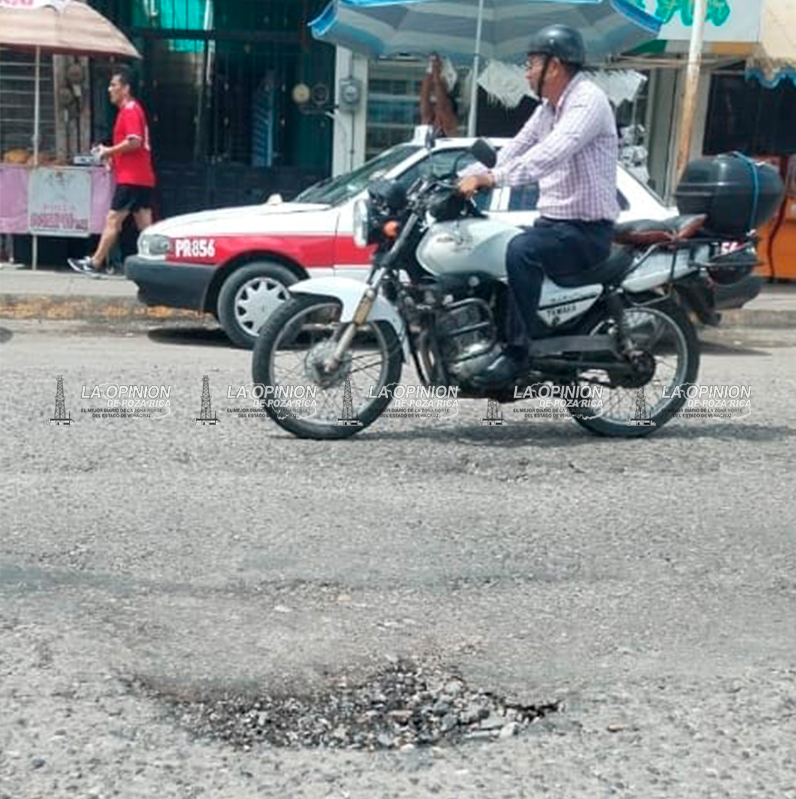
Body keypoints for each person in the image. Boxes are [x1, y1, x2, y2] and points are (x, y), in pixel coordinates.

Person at [458, 24, 619, 387]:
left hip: (586, 232)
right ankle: (491, 341)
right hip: (555, 225)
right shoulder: (548, 108)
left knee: (521, 251)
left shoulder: (587, 101)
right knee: (496, 249)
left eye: (531, 63)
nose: (527, 72)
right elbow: (516, 148)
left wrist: (491, 180)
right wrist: (466, 176)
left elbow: (549, 154)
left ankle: (517, 354)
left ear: (555, 66)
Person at [68, 66, 156, 278]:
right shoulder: (130, 110)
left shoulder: (130, 110)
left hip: (132, 179)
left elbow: (135, 142)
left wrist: (109, 150)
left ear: (125, 88)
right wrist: (112, 158)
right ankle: (158, 263)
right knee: (145, 226)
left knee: (113, 220)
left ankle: (95, 262)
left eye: (113, 85)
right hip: (140, 177)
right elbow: (132, 146)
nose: (109, 89)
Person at [420, 54, 460, 137]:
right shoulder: (431, 121)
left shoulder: (449, 128)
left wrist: (433, 72)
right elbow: (424, 98)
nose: (437, 106)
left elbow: (442, 107)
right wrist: (432, 72)